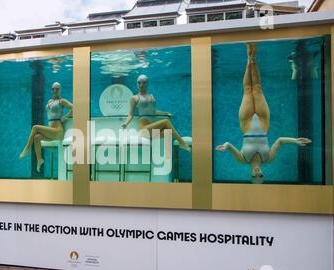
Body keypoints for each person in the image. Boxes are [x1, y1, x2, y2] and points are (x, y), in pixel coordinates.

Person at [215, 43, 312, 183]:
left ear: (250, 176)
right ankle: (254, 59)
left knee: (248, 89)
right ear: (263, 174)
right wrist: (295, 141)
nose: (257, 174)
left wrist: (224, 146)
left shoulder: (243, 160)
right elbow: (280, 141)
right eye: (260, 176)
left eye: (255, 177)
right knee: (258, 88)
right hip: (263, 124)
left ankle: (249, 59)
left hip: (246, 125)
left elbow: (229, 145)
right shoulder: (269, 159)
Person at [121, 74, 191, 152]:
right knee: (166, 122)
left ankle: (151, 145)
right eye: (139, 82)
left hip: (152, 130)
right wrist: (125, 123)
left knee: (168, 132)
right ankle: (182, 143)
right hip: (143, 130)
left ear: (147, 83)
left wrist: (166, 113)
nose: (141, 85)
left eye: (144, 82)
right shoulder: (134, 98)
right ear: (137, 84)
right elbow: (131, 114)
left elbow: (153, 112)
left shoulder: (151, 96)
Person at [19, 82, 73, 172]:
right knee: (37, 137)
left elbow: (74, 107)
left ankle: (27, 148)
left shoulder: (62, 101)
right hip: (51, 132)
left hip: (57, 131)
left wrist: (65, 117)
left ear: (60, 90)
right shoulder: (50, 102)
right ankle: (40, 159)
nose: (54, 90)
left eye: (57, 89)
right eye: (53, 89)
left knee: (35, 127)